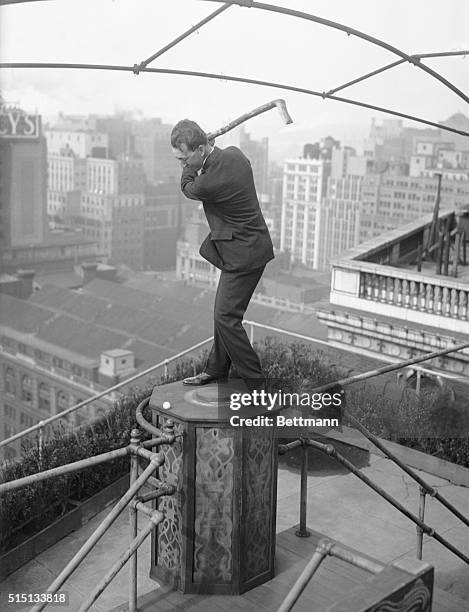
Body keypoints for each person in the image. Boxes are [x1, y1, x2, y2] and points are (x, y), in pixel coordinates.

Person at [171, 119, 274, 387]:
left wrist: (189, 169)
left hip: (243, 255)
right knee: (224, 314)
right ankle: (217, 369)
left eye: (184, 158)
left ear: (201, 150)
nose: (182, 164)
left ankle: (256, 383)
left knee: (226, 317)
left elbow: (187, 187)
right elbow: (219, 158)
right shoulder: (236, 155)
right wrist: (207, 148)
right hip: (251, 246)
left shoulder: (207, 184)